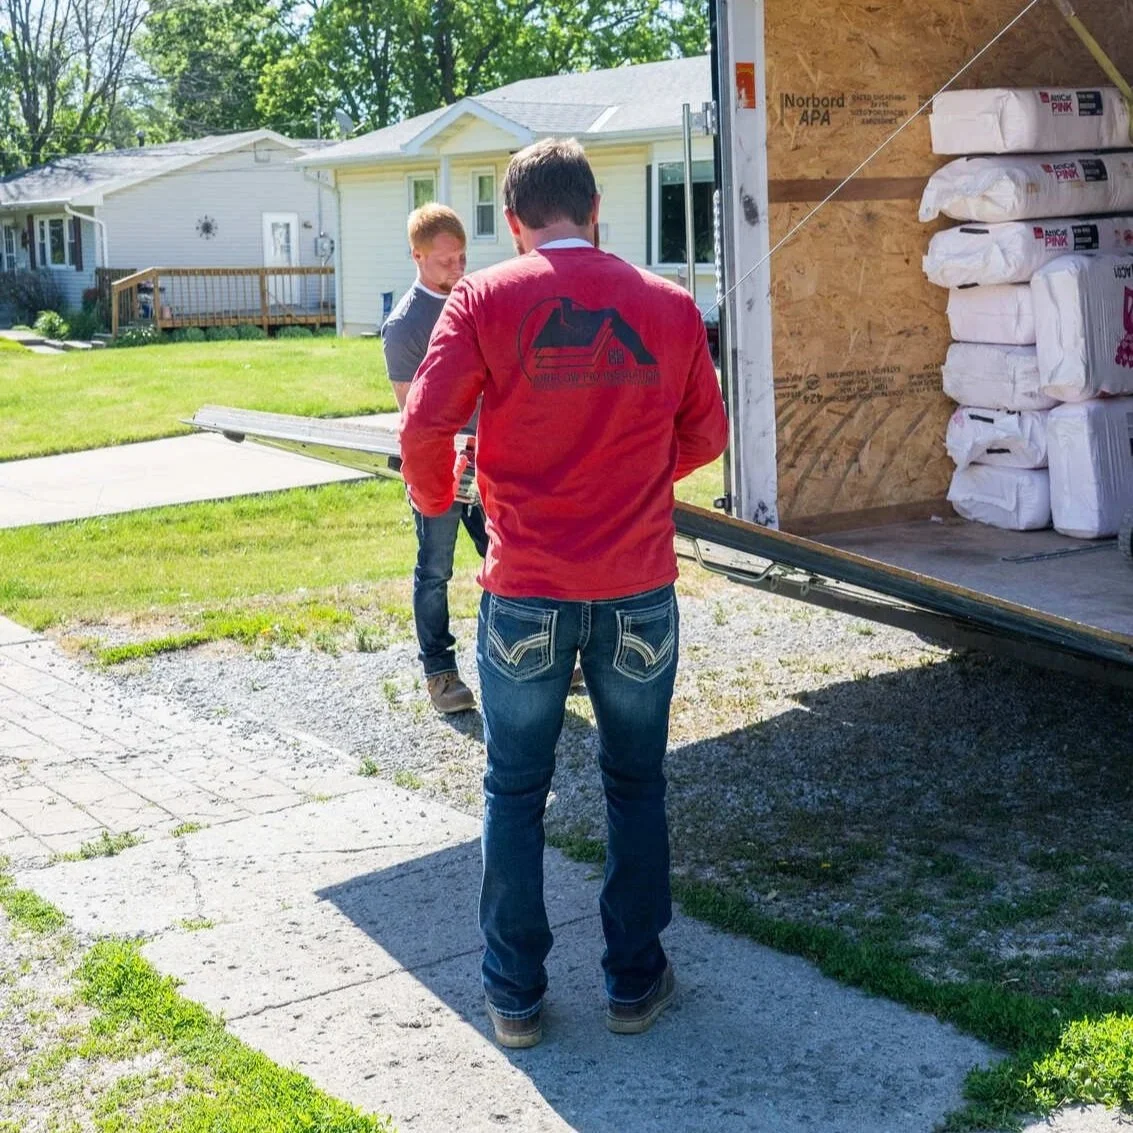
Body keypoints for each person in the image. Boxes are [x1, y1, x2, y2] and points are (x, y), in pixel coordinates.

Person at [400, 138, 729, 1048]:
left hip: (526, 589)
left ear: (512, 223)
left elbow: (424, 423)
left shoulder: (483, 296)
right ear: (594, 210)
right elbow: (708, 432)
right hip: (636, 587)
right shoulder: (665, 305)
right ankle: (633, 980)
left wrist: (441, 498)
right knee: (634, 783)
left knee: (513, 788)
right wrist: (637, 469)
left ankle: (514, 995)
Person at [381, 204, 487, 714]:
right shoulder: (404, 326)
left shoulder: (473, 301)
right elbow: (413, 415)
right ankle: (441, 674)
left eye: (462, 256)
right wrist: (452, 457)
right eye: (445, 260)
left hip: (489, 462)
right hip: (439, 470)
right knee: (435, 571)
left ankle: (521, 658)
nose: (457, 268)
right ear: (417, 256)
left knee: (510, 561)